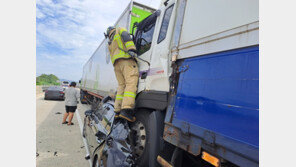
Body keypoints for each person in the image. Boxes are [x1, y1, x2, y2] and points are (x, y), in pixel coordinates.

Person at [105, 26, 139, 122]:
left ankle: (117, 111)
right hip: (126, 61)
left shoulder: (109, 42)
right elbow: (126, 36)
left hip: (116, 65)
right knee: (131, 83)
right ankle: (126, 110)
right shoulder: (119, 30)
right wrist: (132, 49)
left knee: (121, 86)